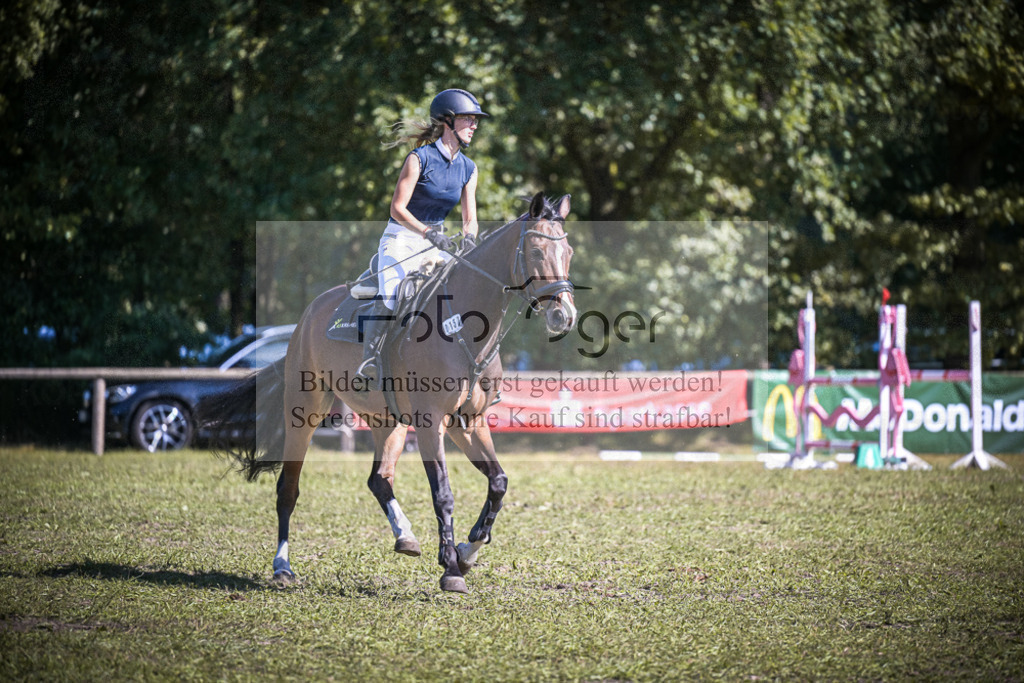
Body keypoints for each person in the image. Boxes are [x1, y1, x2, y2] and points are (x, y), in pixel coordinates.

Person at [356, 88, 489, 385]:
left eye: (475, 120)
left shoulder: (469, 168)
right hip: (402, 239)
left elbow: (471, 218)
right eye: (468, 119)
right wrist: (429, 232)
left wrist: (469, 238)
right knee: (392, 294)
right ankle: (370, 361)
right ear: (448, 122)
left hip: (435, 243)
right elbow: (397, 208)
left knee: (459, 292)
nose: (474, 126)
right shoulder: (419, 159)